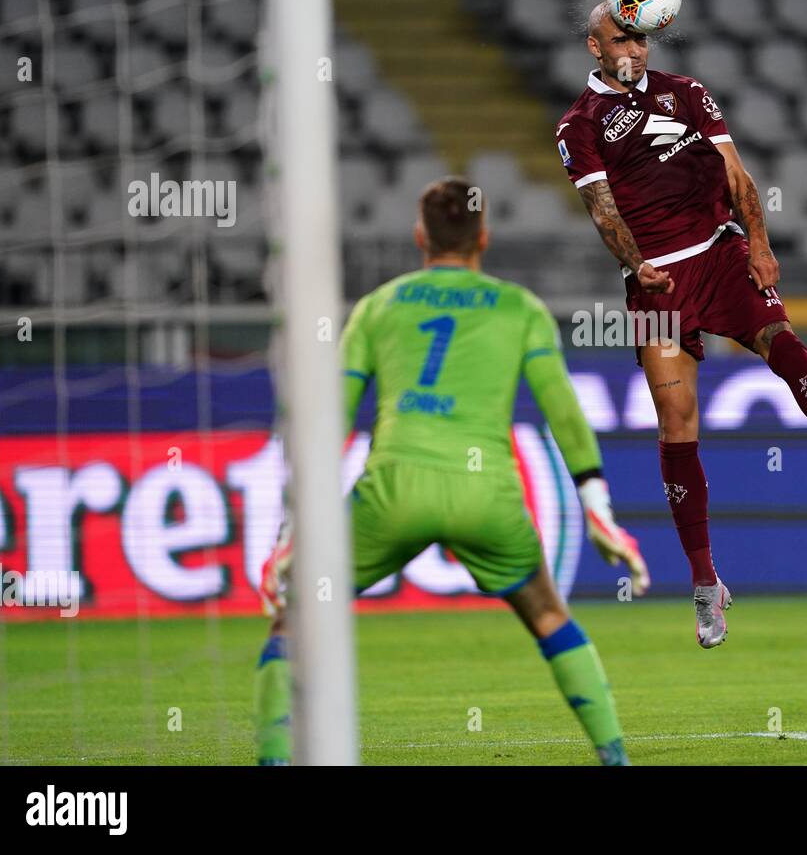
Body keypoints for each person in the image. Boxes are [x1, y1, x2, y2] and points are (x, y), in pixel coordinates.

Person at [254, 176, 649, 766]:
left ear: (420, 237)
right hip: (484, 494)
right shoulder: (521, 309)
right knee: (546, 613)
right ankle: (615, 756)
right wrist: (599, 510)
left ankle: (275, 760)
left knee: (295, 620)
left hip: (394, 491)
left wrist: (294, 527)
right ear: (483, 237)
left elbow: (327, 421)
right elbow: (562, 410)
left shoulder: (377, 307)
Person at [556, 3, 807, 648]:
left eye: (641, 37)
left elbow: (737, 175)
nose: (634, 48)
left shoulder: (688, 94)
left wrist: (760, 244)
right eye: (621, 38)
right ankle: (706, 584)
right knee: (677, 426)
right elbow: (601, 210)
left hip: (720, 252)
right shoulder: (579, 125)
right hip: (658, 282)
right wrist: (637, 265)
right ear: (595, 47)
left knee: (783, 345)